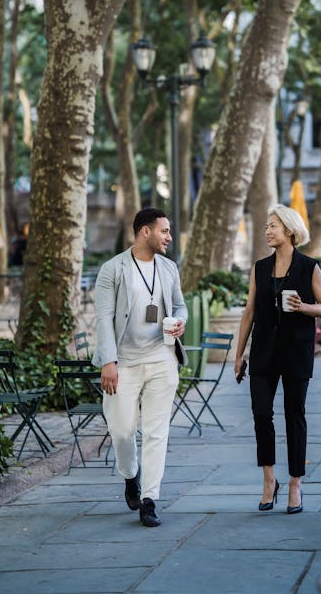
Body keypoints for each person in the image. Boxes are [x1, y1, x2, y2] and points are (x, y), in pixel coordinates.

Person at [92, 207, 188, 527]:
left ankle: (150, 498)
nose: (169, 237)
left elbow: (179, 305)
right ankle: (130, 475)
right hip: (124, 361)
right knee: (122, 430)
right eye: (164, 231)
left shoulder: (169, 267)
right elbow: (104, 318)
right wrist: (108, 361)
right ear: (145, 231)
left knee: (157, 431)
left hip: (161, 357)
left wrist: (181, 323)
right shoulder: (113, 269)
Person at [235, 204, 321, 514]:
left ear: (290, 230)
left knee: (294, 415)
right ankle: (268, 480)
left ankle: (295, 484)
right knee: (261, 414)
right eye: (266, 226)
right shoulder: (259, 268)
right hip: (263, 351)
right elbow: (249, 312)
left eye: (273, 225)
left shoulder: (309, 267)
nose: (267, 231)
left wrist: (303, 307)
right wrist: (239, 355)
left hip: (296, 352)